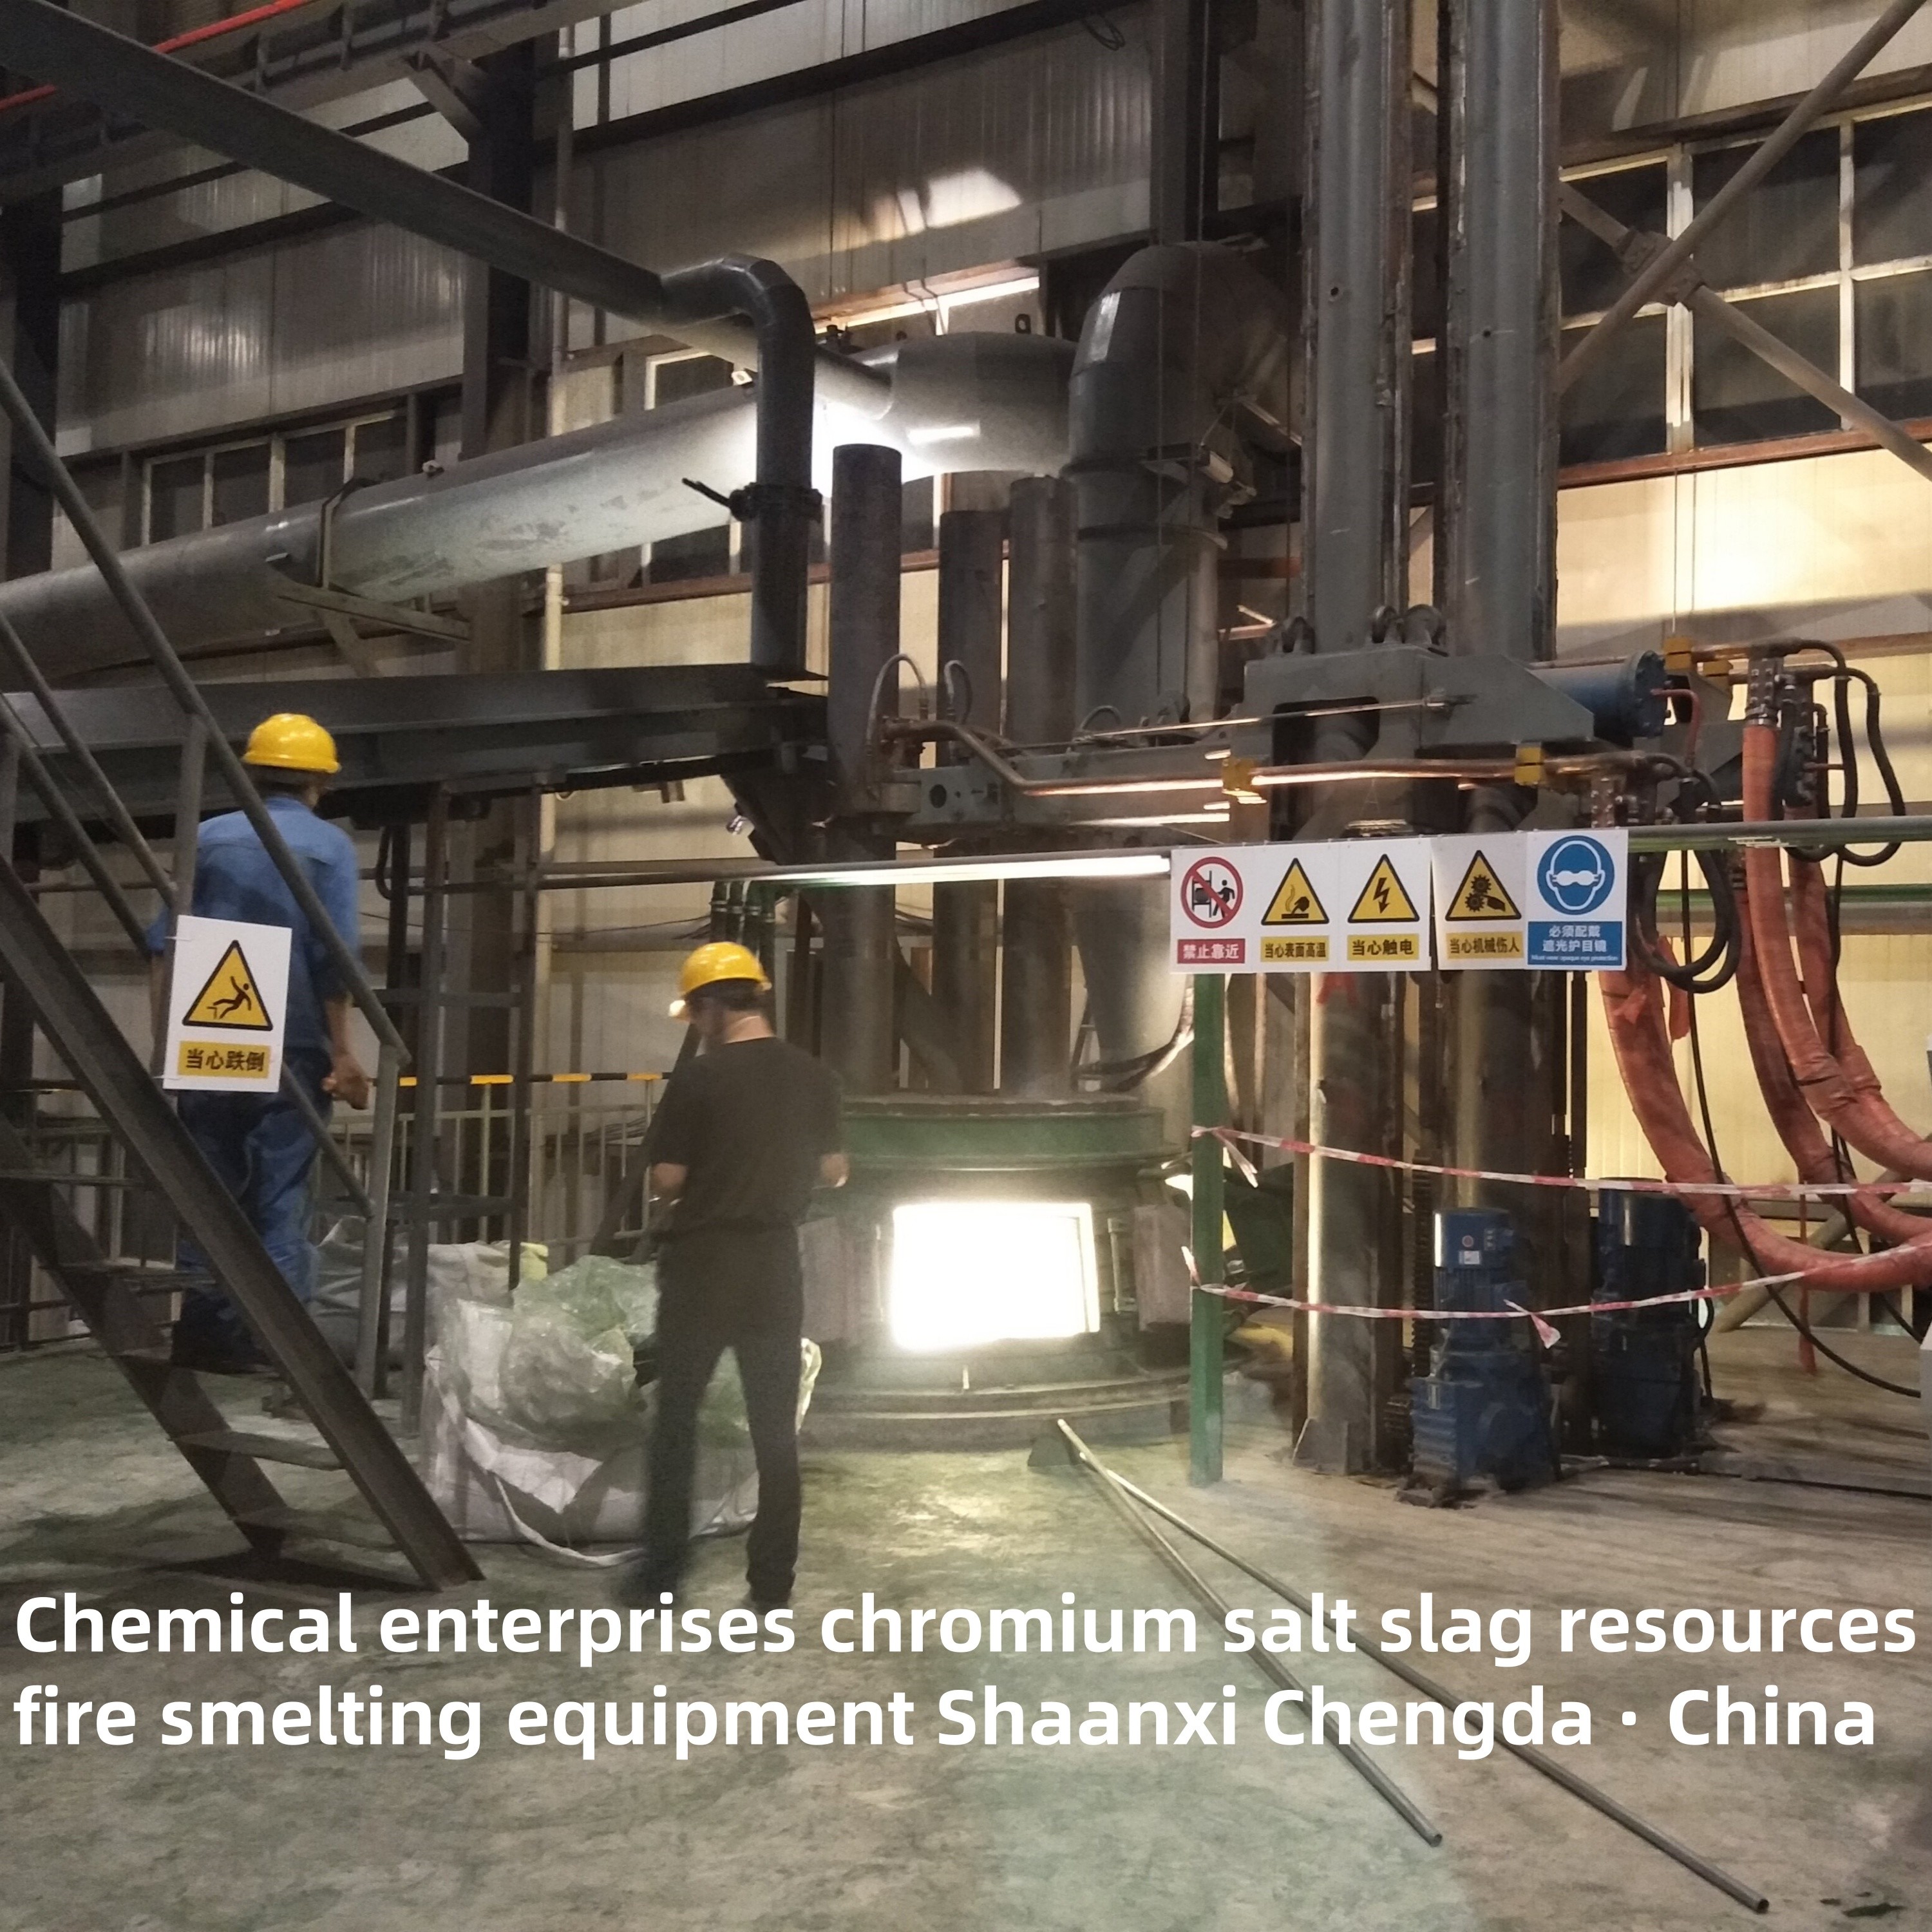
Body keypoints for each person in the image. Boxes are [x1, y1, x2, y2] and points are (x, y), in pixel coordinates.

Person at [620, 941, 846, 1613]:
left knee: (678, 1421)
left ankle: (661, 1579)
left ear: (713, 1007)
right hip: (775, 1263)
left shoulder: (700, 1079)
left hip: (705, 1263)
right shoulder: (814, 1075)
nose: (696, 1025)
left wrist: (697, 1186)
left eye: (695, 1013)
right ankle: (772, 1586)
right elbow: (835, 1170)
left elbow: (668, 1178)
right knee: (775, 1432)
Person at [149, 713, 370, 1372]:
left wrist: (167, 1047)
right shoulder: (328, 847)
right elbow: (335, 960)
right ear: (320, 784)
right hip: (292, 1047)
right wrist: (343, 1052)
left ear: (249, 774)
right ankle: (274, 1342)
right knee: (280, 1197)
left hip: (207, 1042)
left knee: (208, 1190)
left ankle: (203, 1333)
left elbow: (164, 943)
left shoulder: (207, 837)